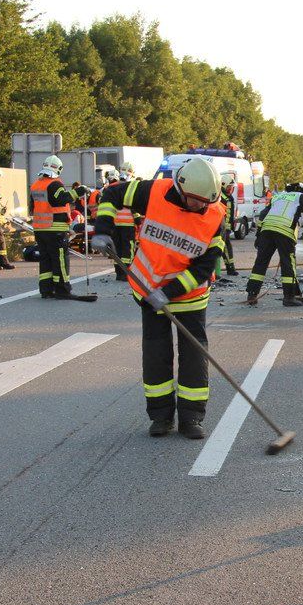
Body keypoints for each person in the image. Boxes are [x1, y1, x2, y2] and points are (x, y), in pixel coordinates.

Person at [92, 158, 225, 439]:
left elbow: (204, 267)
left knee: (194, 357)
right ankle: (161, 417)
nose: (199, 206)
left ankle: (191, 418)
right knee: (156, 355)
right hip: (147, 289)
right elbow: (112, 194)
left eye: (205, 202)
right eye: (194, 200)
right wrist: (102, 230)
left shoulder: (215, 216)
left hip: (189, 297)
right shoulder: (153, 192)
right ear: (180, 187)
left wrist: (168, 293)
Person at [245, 183, 303, 307]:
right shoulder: (300, 197)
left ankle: (252, 295)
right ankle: (289, 297)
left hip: (267, 230)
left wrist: (258, 236)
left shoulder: (277, 197)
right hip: (284, 231)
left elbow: (263, 215)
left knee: (260, 262)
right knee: (288, 263)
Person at [30, 155, 90, 298]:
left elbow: (34, 205)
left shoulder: (36, 184)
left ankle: (46, 289)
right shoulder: (55, 184)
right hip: (54, 228)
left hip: (40, 228)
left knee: (45, 259)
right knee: (60, 259)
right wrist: (78, 192)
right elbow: (61, 199)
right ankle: (62, 289)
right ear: (59, 169)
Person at [112, 162, 139, 282]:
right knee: (127, 249)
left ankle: (119, 273)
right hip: (127, 224)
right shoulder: (133, 186)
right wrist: (138, 218)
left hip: (115, 223)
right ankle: (126, 273)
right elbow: (134, 204)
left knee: (117, 249)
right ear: (132, 173)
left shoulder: (112, 186)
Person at [219, 173, 239, 276]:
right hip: (221, 228)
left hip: (226, 227)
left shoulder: (228, 197)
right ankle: (230, 269)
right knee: (226, 247)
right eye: (229, 187)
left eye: (232, 187)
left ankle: (230, 268)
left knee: (226, 247)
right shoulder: (220, 197)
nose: (231, 189)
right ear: (223, 185)